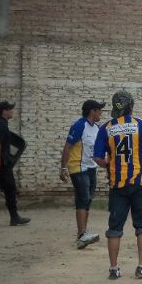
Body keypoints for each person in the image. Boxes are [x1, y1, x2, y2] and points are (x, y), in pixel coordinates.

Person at [93, 91, 142, 280]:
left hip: (117, 185)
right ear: (131, 106)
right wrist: (139, 164)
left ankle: (114, 269)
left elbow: (98, 158)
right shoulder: (141, 125)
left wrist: (111, 165)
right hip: (140, 183)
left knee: (114, 227)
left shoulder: (106, 128)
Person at [60, 99, 105, 249]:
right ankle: (81, 235)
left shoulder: (97, 128)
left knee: (88, 200)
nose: (101, 113)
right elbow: (67, 147)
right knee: (83, 199)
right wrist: (63, 168)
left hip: (91, 168)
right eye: (99, 110)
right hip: (78, 167)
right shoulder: (79, 125)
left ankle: (83, 233)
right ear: (92, 111)